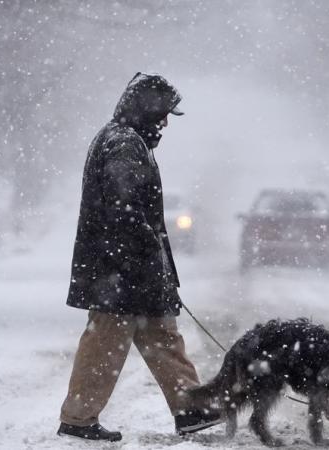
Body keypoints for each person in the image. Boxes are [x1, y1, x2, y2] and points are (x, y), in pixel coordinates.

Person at [57, 72, 220, 442]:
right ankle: (79, 419)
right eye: (161, 114)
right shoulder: (123, 144)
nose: (164, 123)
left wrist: (156, 266)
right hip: (119, 270)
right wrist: (146, 254)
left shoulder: (126, 140)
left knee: (162, 336)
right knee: (105, 343)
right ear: (144, 110)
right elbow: (123, 207)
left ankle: (190, 408)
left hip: (131, 268)